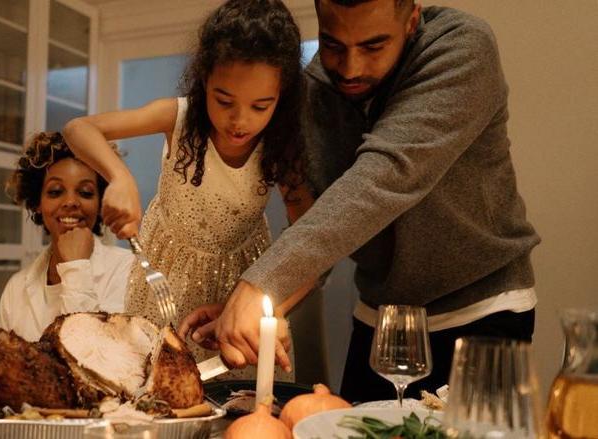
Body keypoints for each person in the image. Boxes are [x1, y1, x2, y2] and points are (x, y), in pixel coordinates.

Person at [182, 0, 540, 402]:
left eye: (373, 47)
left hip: (481, 310)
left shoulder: (461, 48)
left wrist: (259, 283)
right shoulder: (315, 87)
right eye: (333, 44)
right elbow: (323, 223)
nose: (350, 68)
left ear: (411, 20)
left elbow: (385, 177)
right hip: (380, 319)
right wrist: (256, 304)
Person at [62, 0, 313, 378]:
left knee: (237, 400)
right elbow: (78, 128)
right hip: (163, 278)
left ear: (283, 96)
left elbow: (310, 244)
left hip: (243, 280)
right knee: (157, 389)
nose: (239, 120)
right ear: (203, 81)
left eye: (261, 106)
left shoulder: (282, 145)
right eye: (223, 100)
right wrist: (119, 176)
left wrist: (268, 306)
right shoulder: (178, 117)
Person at [0, 132, 135, 342]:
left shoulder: (127, 271)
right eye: (55, 191)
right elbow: (1, 365)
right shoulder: (16, 287)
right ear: (37, 204)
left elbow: (98, 362)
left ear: (101, 204)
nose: (70, 202)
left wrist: (76, 266)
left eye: (86, 192)